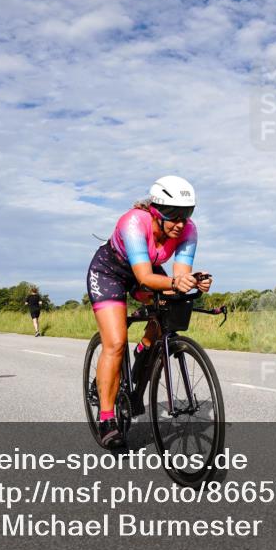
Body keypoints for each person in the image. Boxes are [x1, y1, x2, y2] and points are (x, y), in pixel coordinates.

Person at [86, 176, 212, 448]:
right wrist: (175, 283)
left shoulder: (188, 230)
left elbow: (179, 276)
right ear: (156, 211)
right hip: (110, 273)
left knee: (170, 306)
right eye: (174, 216)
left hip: (145, 271)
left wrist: (192, 281)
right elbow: (144, 278)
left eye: (186, 215)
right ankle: (106, 418)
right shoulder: (133, 222)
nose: (181, 224)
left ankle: (145, 348)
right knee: (115, 342)